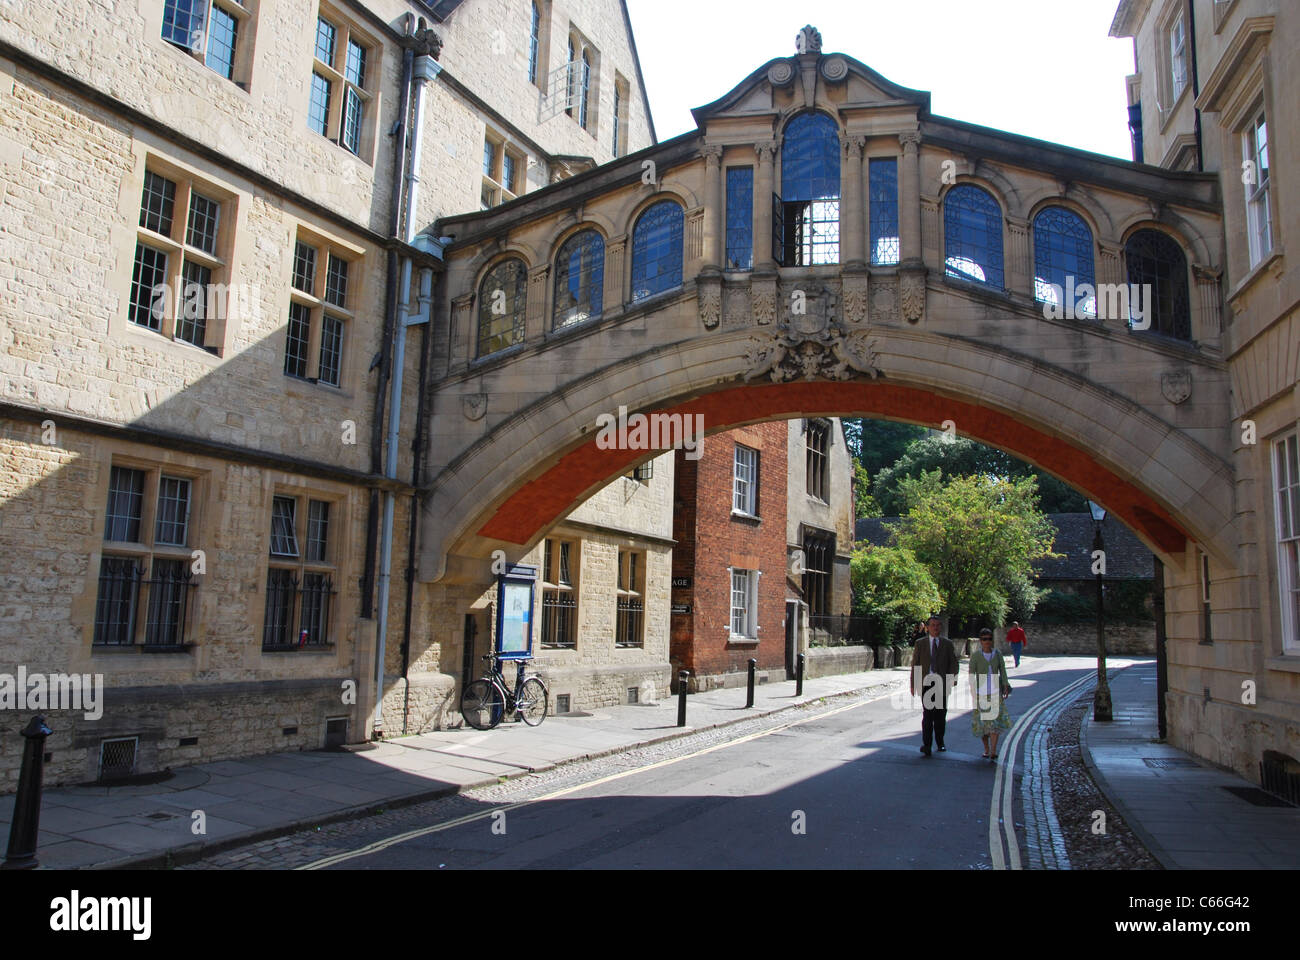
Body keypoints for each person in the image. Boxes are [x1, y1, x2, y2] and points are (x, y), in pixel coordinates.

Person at [911, 615, 959, 757]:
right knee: (928, 715)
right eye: (933, 625)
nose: (935, 628)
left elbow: (953, 663)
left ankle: (940, 742)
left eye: (938, 625)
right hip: (926, 682)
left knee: (940, 715)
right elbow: (915, 664)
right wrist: (913, 683)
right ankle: (927, 745)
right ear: (927, 627)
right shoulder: (920, 643)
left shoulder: (947, 643)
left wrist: (953, 679)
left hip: (942, 683)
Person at [969, 628, 1012, 760]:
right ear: (980, 641)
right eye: (984, 639)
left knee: (994, 723)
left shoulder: (997, 654)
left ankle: (993, 750)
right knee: (983, 724)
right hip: (981, 693)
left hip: (995, 692)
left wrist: (1005, 685)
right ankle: (986, 749)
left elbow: (1003, 671)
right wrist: (972, 690)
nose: (987, 641)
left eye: (989, 639)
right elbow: (971, 674)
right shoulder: (976, 656)